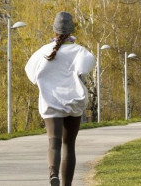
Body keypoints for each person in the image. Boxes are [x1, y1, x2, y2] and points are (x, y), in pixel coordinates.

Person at [25, 11, 96, 186]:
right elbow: (84, 69)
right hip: (73, 102)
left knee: (53, 142)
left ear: (54, 30)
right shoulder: (80, 51)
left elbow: (31, 73)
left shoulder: (42, 51)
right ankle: (66, 185)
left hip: (51, 102)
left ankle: (52, 173)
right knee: (69, 145)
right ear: (71, 31)